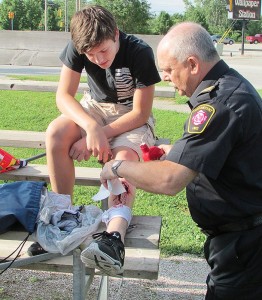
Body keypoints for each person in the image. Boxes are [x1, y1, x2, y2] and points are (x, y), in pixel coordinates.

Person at [100, 22, 262, 298]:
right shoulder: (230, 89)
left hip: (244, 246)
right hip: (240, 240)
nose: (164, 76)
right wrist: (175, 150)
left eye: (169, 69)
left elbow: (169, 180)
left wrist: (117, 167)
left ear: (192, 65)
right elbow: (225, 149)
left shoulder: (219, 104)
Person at [27, 4, 161, 276]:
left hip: (129, 116)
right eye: (90, 54)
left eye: (104, 50)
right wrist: (90, 127)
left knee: (123, 161)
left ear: (115, 33)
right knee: (56, 133)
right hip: (95, 108)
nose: (99, 59)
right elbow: (63, 96)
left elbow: (140, 112)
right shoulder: (79, 46)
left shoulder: (140, 51)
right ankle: (63, 219)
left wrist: (101, 134)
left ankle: (113, 238)